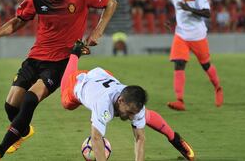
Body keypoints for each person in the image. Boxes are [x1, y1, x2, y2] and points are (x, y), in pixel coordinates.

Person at [0, 0, 118, 160]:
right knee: (10, 106)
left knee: (29, 100)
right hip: (35, 57)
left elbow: (111, 3)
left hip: (61, 62)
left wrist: (98, 31)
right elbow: (18, 21)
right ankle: (23, 131)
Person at [59, 41, 195, 161]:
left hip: (104, 77)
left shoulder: (133, 103)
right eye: (129, 112)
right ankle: (75, 53)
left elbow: (140, 138)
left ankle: (175, 139)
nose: (131, 116)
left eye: (133, 113)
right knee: (66, 103)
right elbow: (96, 138)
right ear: (121, 101)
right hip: (79, 83)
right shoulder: (102, 105)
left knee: (144, 115)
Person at [166, 0, 223, 111]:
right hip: (181, 35)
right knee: (179, 64)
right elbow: (179, 14)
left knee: (206, 65)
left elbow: (207, 13)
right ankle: (179, 100)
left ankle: (218, 88)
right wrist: (171, 22)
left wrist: (189, 9)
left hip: (197, 35)